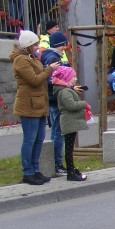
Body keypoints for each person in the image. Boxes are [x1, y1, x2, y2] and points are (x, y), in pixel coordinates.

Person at [11, 29, 59, 185]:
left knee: (39, 139)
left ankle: (35, 169)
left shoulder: (32, 58)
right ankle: (28, 172)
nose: (38, 46)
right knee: (30, 139)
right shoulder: (21, 60)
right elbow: (35, 80)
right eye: (35, 44)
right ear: (28, 46)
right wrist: (49, 69)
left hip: (38, 103)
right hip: (28, 104)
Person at [51, 65, 89, 181]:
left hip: (71, 121)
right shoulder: (65, 91)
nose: (75, 79)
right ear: (66, 78)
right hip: (69, 122)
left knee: (69, 147)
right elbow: (71, 105)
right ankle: (71, 172)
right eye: (73, 77)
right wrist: (84, 104)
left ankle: (72, 169)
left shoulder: (67, 90)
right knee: (69, 148)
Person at [41, 31, 71, 175]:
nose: (65, 47)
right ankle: (57, 164)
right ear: (59, 44)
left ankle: (53, 162)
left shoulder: (47, 55)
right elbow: (53, 80)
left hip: (51, 99)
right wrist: (68, 86)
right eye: (64, 44)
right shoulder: (53, 58)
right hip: (57, 98)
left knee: (55, 131)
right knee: (58, 132)